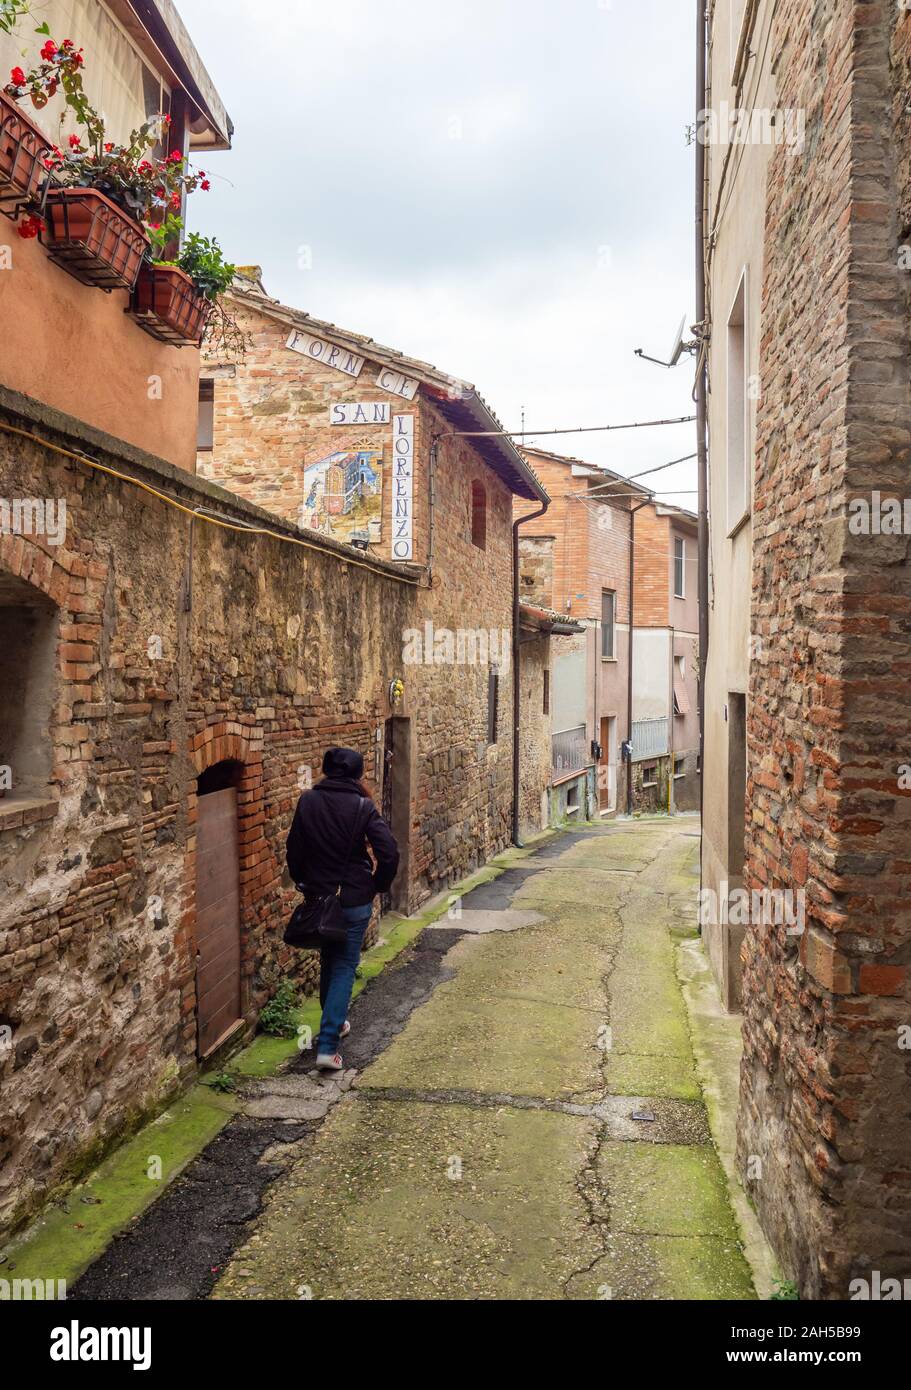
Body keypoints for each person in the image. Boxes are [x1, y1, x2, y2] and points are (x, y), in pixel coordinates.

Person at [286, 746, 399, 1072]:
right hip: (352, 898)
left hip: (320, 898)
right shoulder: (362, 805)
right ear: (357, 773)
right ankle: (328, 1045)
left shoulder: (308, 801)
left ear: (325, 769)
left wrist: (303, 883)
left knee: (329, 960)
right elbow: (389, 852)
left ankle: (334, 1023)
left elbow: (294, 849)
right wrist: (376, 884)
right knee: (344, 965)